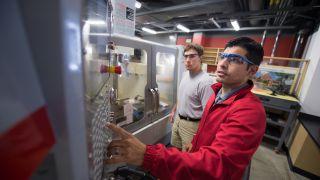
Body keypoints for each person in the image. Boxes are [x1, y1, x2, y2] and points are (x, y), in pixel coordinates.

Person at [105, 37, 266, 180]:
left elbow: (218, 166)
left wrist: (147, 156)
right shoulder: (218, 93)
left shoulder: (249, 111)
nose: (223, 64)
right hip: (187, 134)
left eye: (235, 59)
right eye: (223, 56)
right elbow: (206, 122)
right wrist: (195, 142)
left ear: (252, 70)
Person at [170, 43, 214, 151]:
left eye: (192, 56)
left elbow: (208, 115)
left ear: (200, 58)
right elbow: (182, 96)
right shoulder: (185, 74)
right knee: (175, 151)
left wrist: (197, 138)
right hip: (178, 120)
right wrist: (174, 110)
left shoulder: (205, 82)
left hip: (192, 126)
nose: (188, 60)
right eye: (186, 56)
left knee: (188, 158)